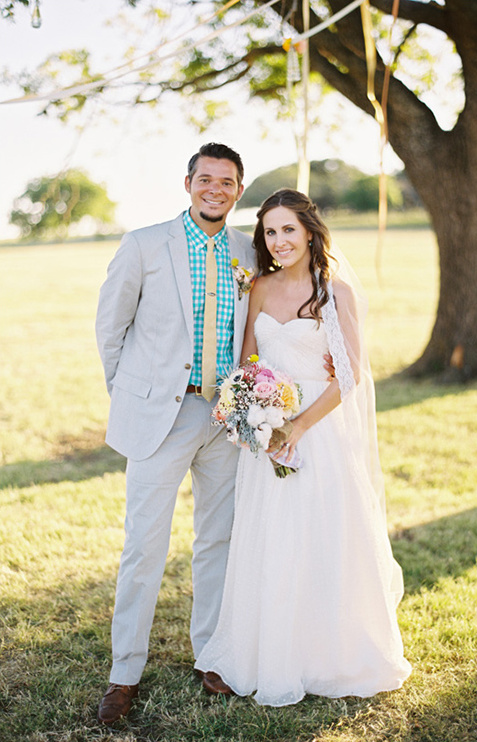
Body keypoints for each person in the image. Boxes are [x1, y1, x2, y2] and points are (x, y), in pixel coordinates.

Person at [195, 188, 412, 706]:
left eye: (288, 229)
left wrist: (298, 427)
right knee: (268, 538)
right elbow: (245, 364)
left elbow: (351, 375)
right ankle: (259, 651)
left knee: (323, 534)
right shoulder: (261, 289)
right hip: (266, 431)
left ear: (310, 232)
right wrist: (253, 413)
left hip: (319, 431)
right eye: (270, 231)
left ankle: (327, 654)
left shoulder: (333, 290)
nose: (279, 240)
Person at [95, 143, 257, 724]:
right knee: (144, 546)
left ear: (239, 189)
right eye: (206, 179)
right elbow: (110, 326)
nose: (216, 188)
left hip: (226, 417)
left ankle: (210, 656)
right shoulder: (144, 243)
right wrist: (131, 396)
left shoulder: (247, 251)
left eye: (227, 181)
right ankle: (123, 674)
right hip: (161, 415)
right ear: (187, 183)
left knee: (219, 540)